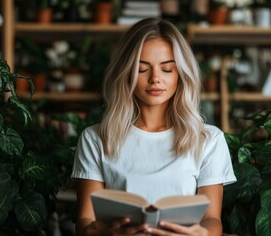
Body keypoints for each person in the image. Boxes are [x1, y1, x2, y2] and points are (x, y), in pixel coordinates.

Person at [71, 18, 237, 236]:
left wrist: (203, 234)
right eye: (142, 69)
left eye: (167, 69)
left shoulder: (208, 139)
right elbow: (85, 222)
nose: (155, 79)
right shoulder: (95, 138)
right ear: (126, 73)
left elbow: (211, 219)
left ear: (181, 74)